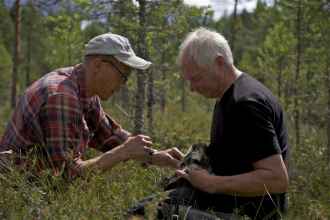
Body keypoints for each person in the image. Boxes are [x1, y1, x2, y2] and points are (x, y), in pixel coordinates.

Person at [0, 33, 182, 179]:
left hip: (33, 185)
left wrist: (156, 156)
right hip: (15, 189)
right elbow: (66, 174)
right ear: (98, 65)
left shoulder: (85, 91)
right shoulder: (62, 96)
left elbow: (110, 136)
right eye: (123, 74)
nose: (124, 83)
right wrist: (123, 153)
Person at [173, 27, 289, 219]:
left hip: (251, 213)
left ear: (219, 63)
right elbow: (235, 156)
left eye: (196, 78)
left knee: (152, 212)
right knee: (160, 200)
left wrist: (210, 183)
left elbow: (277, 179)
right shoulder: (227, 97)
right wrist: (188, 162)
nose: (192, 88)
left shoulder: (246, 103)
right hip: (230, 202)